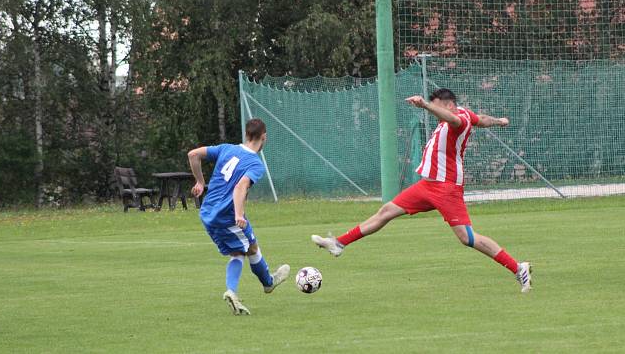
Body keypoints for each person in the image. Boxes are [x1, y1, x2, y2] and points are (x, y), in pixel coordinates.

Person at [312, 88, 532, 293]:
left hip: (447, 188)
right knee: (387, 211)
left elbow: (455, 119)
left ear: (448, 106)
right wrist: (500, 121)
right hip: (428, 185)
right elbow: (481, 120)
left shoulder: (458, 119)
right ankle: (338, 243)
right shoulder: (464, 113)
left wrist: (426, 105)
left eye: (438, 108)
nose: (435, 114)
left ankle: (518, 267)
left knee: (467, 238)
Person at [188, 118, 290, 315]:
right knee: (250, 247)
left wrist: (200, 182)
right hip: (227, 216)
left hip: (207, 212)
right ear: (264, 137)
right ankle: (267, 283)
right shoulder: (255, 163)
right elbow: (240, 186)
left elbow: (193, 154)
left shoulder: (226, 149)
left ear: (246, 135)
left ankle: (241, 289)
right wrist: (239, 214)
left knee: (239, 251)